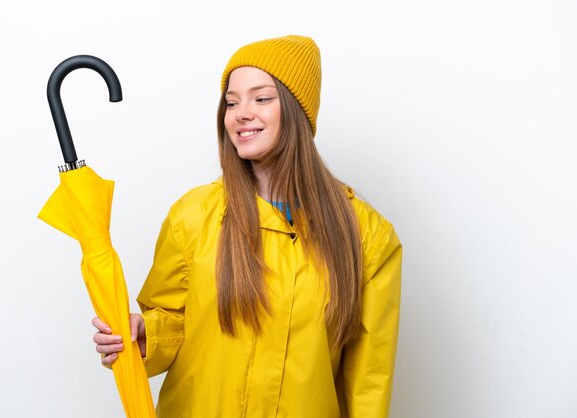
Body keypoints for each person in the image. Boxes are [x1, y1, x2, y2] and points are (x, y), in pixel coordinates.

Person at [92, 34, 402, 417]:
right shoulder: (194, 215)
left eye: (261, 98)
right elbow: (169, 321)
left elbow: (368, 379)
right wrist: (145, 338)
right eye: (231, 102)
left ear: (297, 109)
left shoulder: (365, 235)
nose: (241, 113)